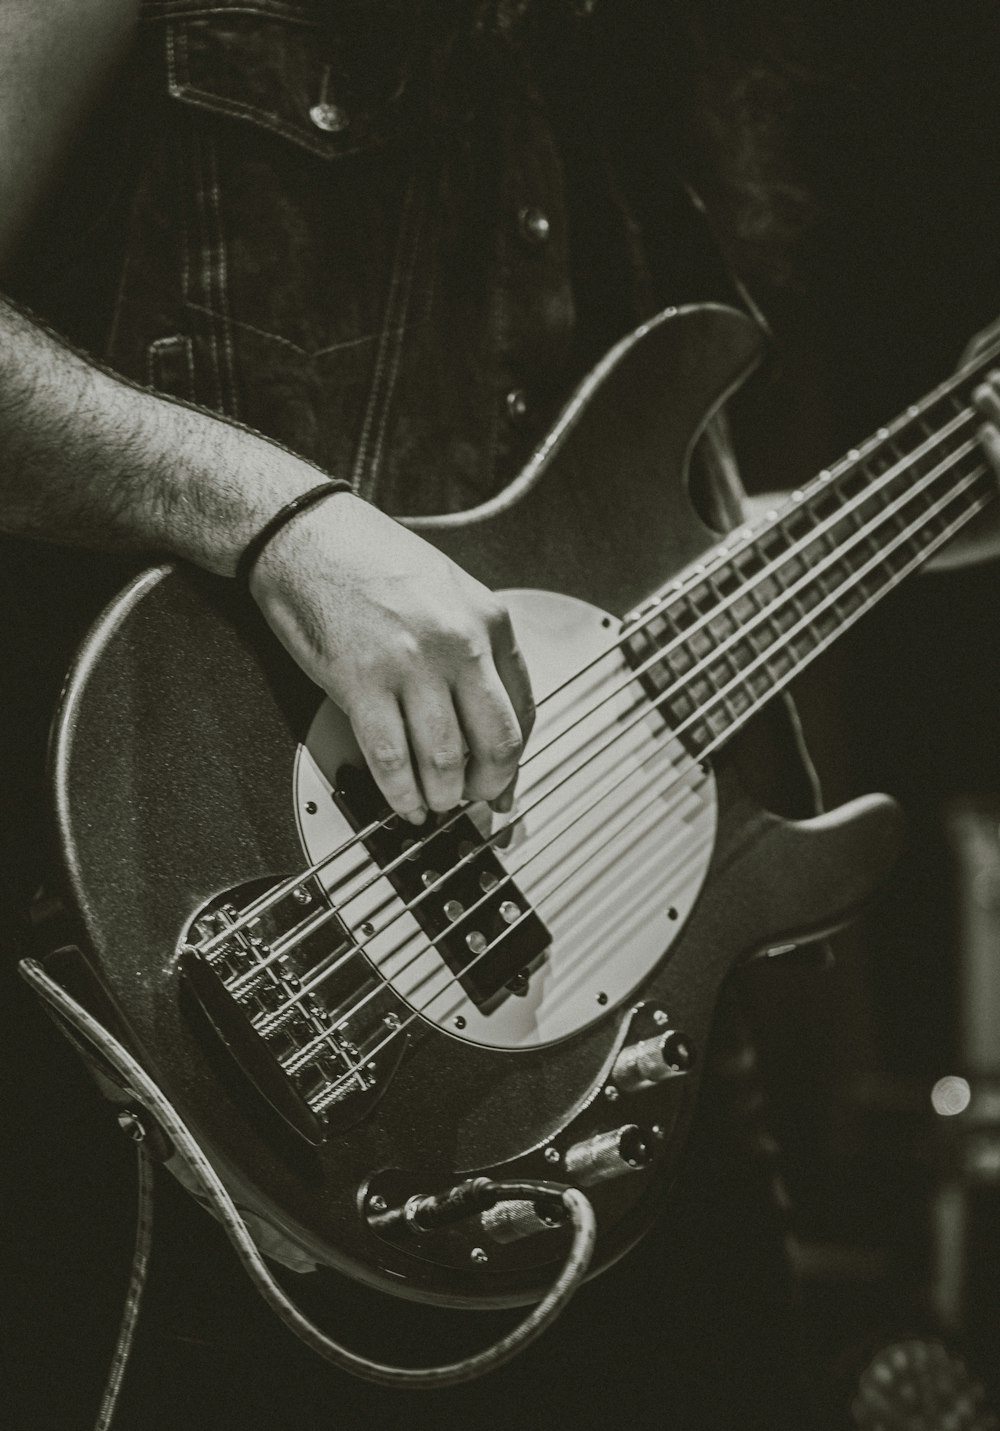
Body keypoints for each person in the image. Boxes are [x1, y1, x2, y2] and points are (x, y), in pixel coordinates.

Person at [2, 3, 1000, 1429]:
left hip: (589, 1072)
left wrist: (950, 489)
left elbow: (603, 570)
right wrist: (281, 524)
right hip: (165, 991)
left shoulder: (630, 53)